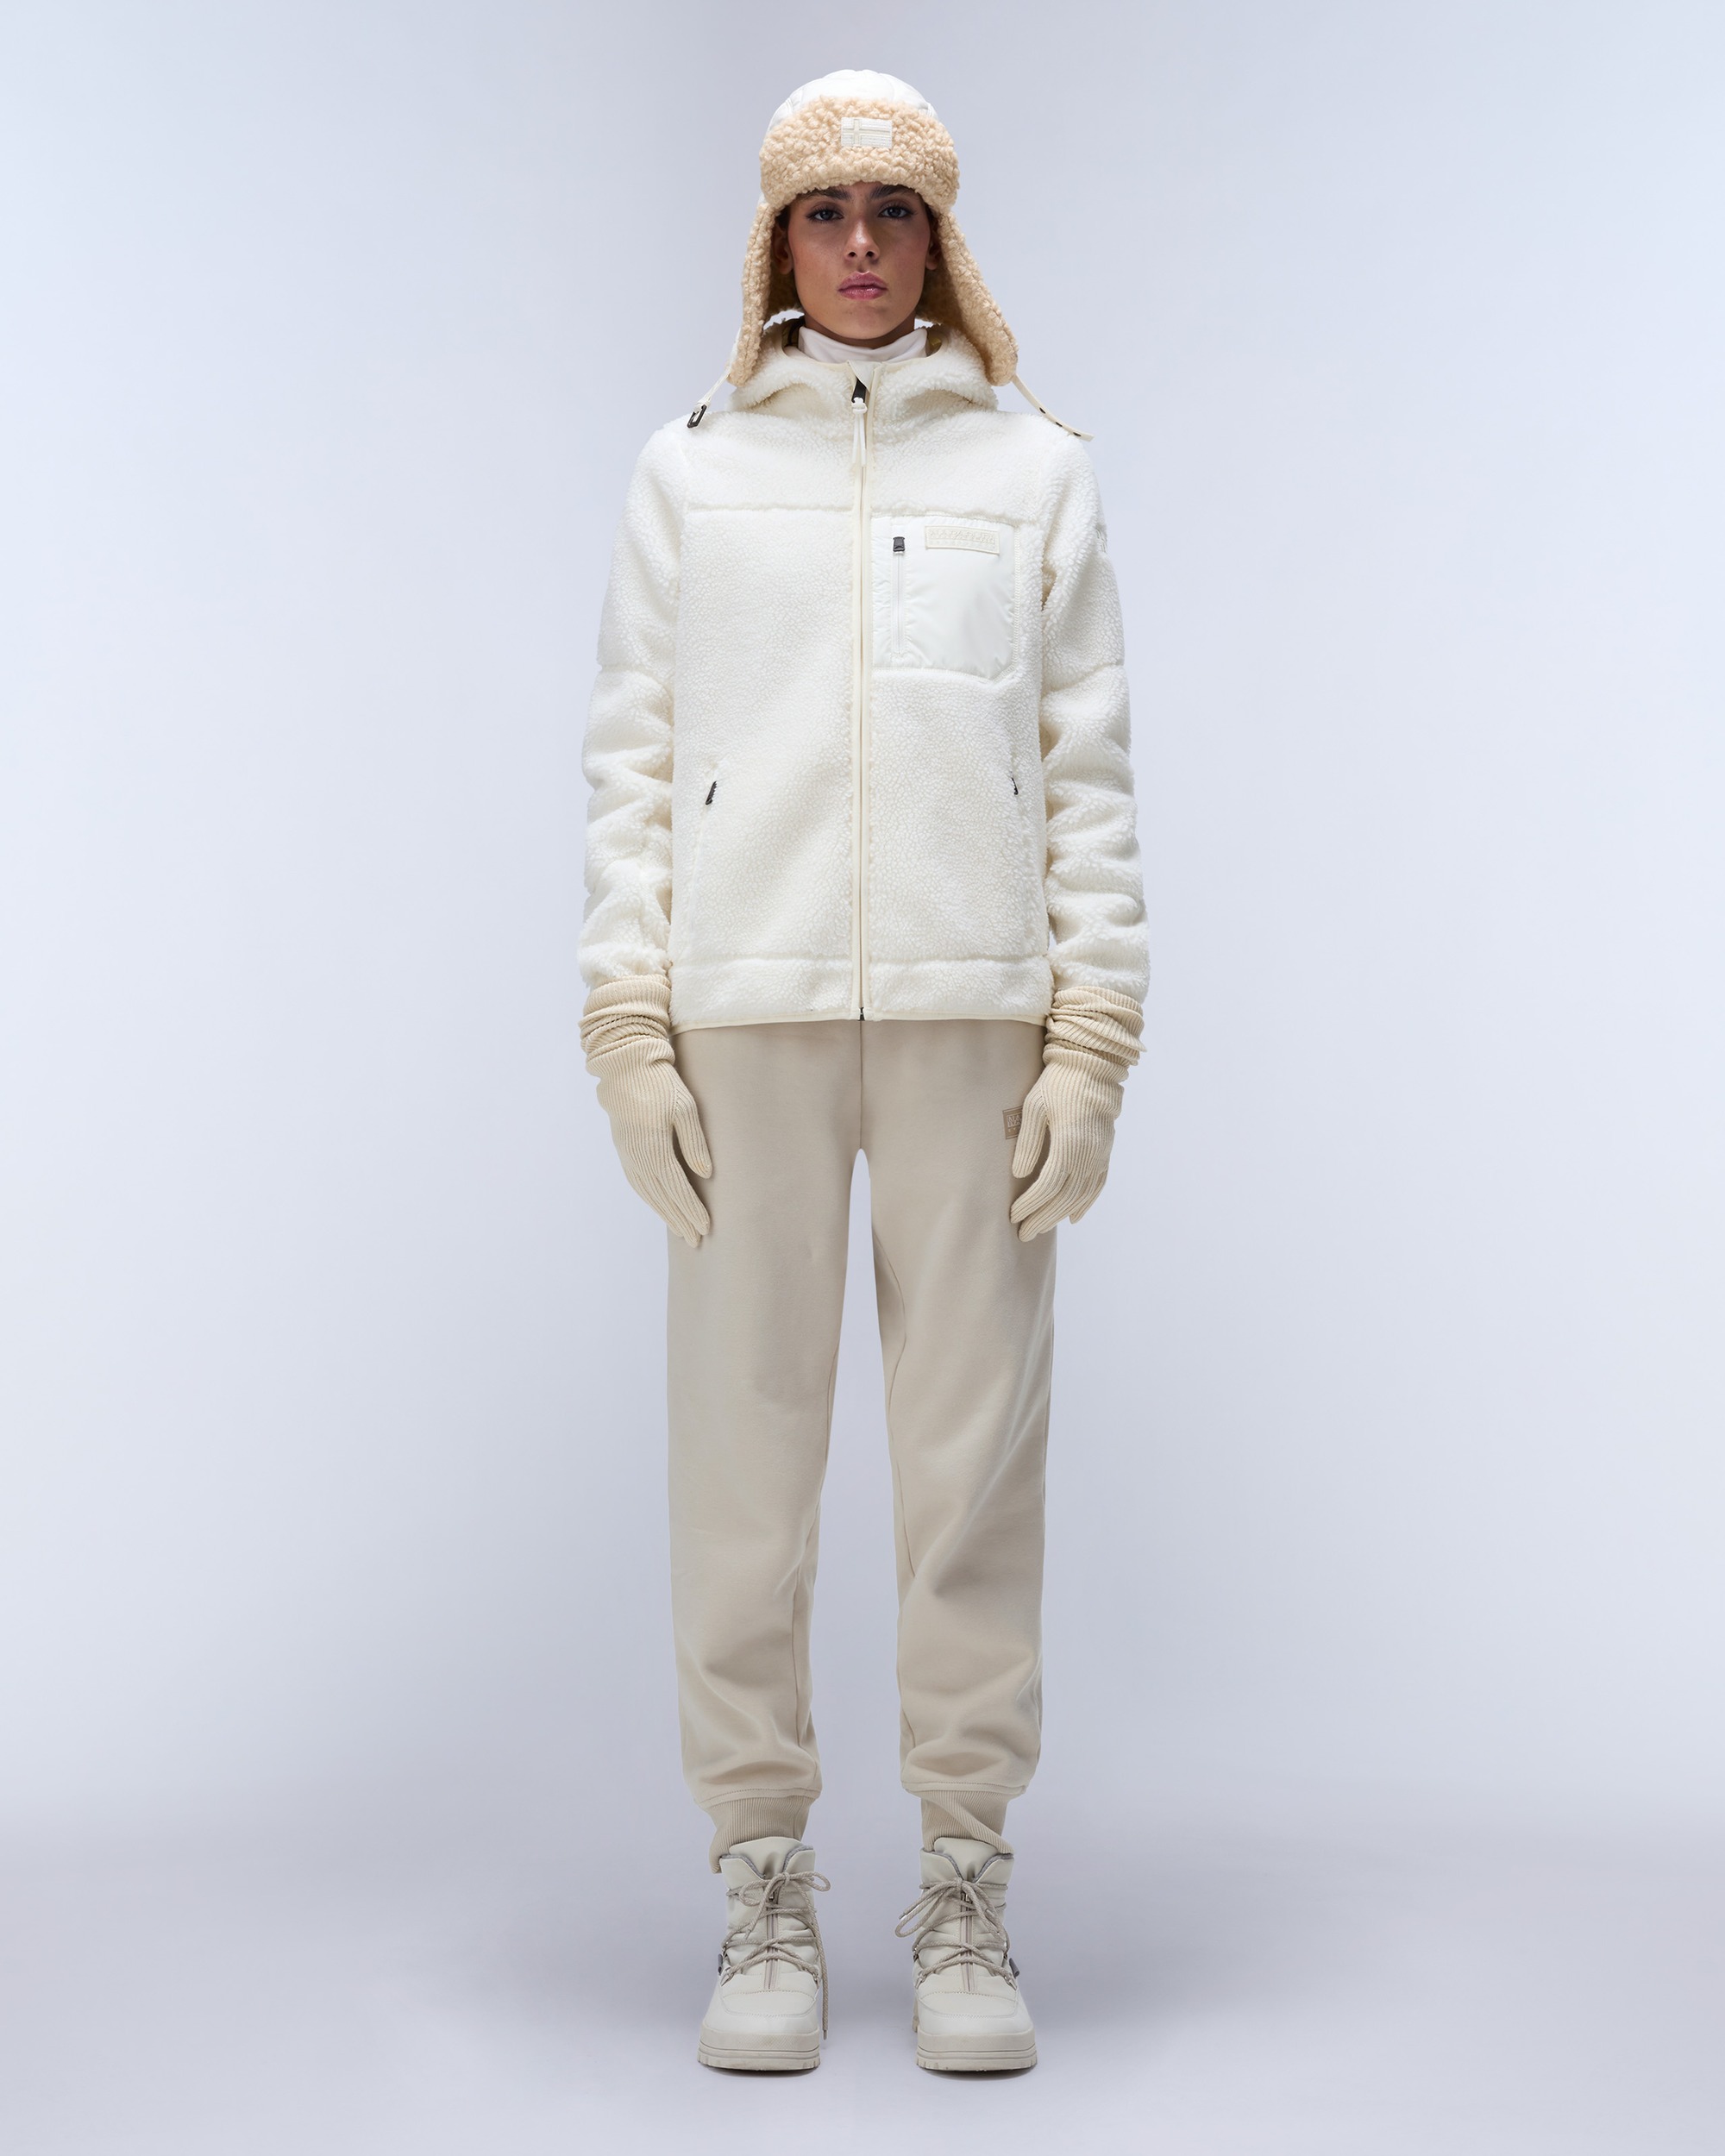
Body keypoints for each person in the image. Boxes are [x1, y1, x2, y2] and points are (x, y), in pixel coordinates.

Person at [579, 69, 1147, 2075]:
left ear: (937, 238)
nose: (857, 246)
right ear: (774, 239)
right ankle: (761, 1881)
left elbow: (1088, 768)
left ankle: (966, 1882)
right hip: (740, 1018)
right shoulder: (688, 471)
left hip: (971, 1019)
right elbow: (632, 758)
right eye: (822, 213)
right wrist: (624, 1022)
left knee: (968, 1471)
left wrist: (1091, 1038)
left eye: (890, 211)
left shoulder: (1033, 471)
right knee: (742, 1473)